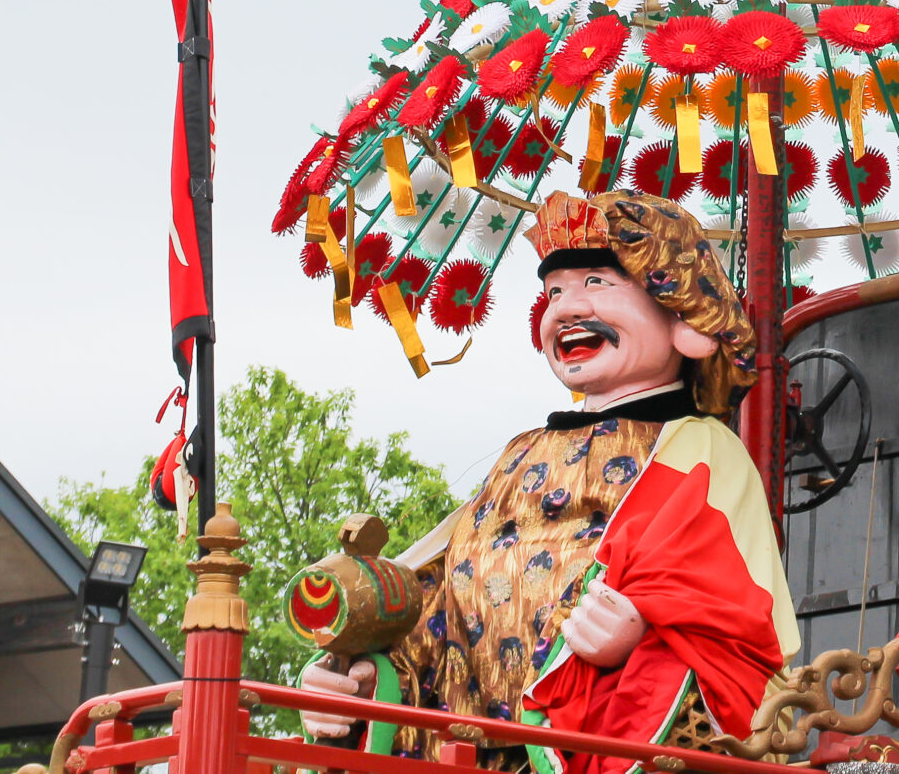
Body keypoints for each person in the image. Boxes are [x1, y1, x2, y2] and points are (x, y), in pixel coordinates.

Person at [297, 189, 797, 763]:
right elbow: (439, 601)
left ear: (683, 316)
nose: (564, 309)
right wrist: (358, 677)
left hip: (589, 739)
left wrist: (644, 632)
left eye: (597, 284)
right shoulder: (522, 452)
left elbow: (728, 614)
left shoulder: (700, 447)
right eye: (554, 292)